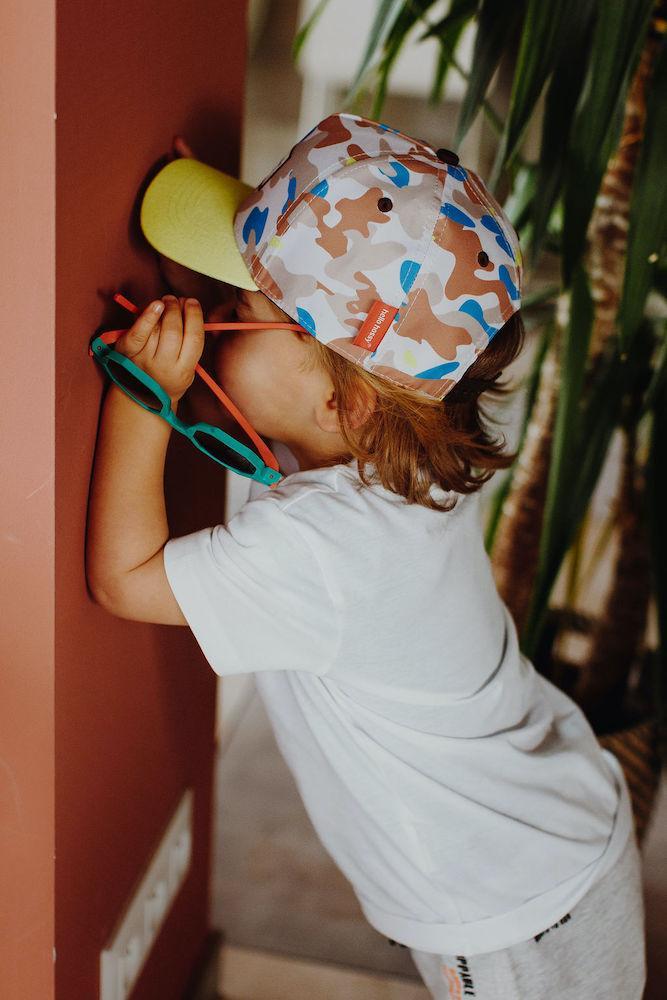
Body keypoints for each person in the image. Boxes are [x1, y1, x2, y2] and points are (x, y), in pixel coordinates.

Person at [86, 113, 646, 999]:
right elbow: (287, 398)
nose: (217, 315)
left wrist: (141, 403)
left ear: (343, 404)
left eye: (241, 309)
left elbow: (123, 579)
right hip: (552, 836)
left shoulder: (324, 548)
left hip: (509, 909)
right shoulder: (406, 466)